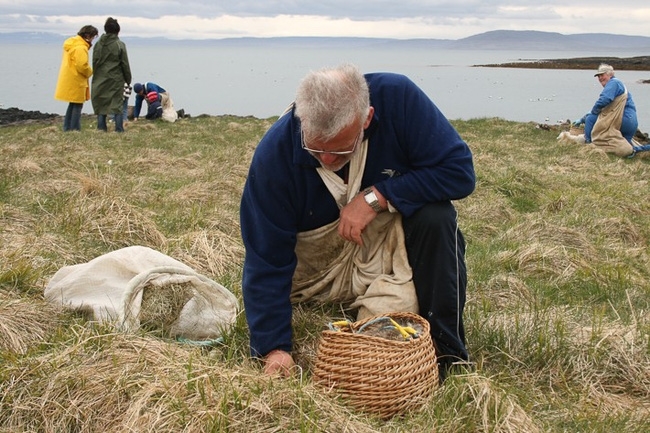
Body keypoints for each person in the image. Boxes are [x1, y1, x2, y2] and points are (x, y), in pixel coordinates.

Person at [240, 64, 475, 380]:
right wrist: (274, 348)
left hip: (377, 250)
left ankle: (447, 354)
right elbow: (266, 257)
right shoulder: (275, 155)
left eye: (338, 151)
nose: (326, 161)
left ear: (366, 119)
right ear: (301, 120)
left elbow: (458, 172)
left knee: (437, 216)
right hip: (313, 276)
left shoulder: (399, 100)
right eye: (315, 149)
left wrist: (376, 197)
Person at [572, 64, 639, 157]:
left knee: (591, 119)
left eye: (602, 75)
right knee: (626, 146)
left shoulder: (613, 83)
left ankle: (589, 144)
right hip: (631, 123)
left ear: (610, 75)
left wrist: (591, 113)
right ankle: (634, 151)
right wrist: (582, 119)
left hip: (622, 120)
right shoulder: (620, 85)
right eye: (598, 76)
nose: (600, 78)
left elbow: (604, 100)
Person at [54, 25, 98, 131]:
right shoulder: (81, 47)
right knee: (77, 105)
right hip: (77, 79)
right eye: (92, 37)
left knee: (72, 104)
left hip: (70, 78)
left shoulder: (73, 44)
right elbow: (82, 65)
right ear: (87, 35)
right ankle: (74, 128)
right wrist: (90, 72)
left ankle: (67, 127)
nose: (92, 39)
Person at [91, 17, 132, 133]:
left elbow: (95, 62)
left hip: (100, 77)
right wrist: (128, 79)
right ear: (117, 31)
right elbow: (125, 64)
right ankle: (118, 129)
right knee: (117, 104)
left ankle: (101, 128)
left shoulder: (98, 44)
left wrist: (96, 75)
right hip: (116, 78)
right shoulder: (119, 45)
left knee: (101, 103)